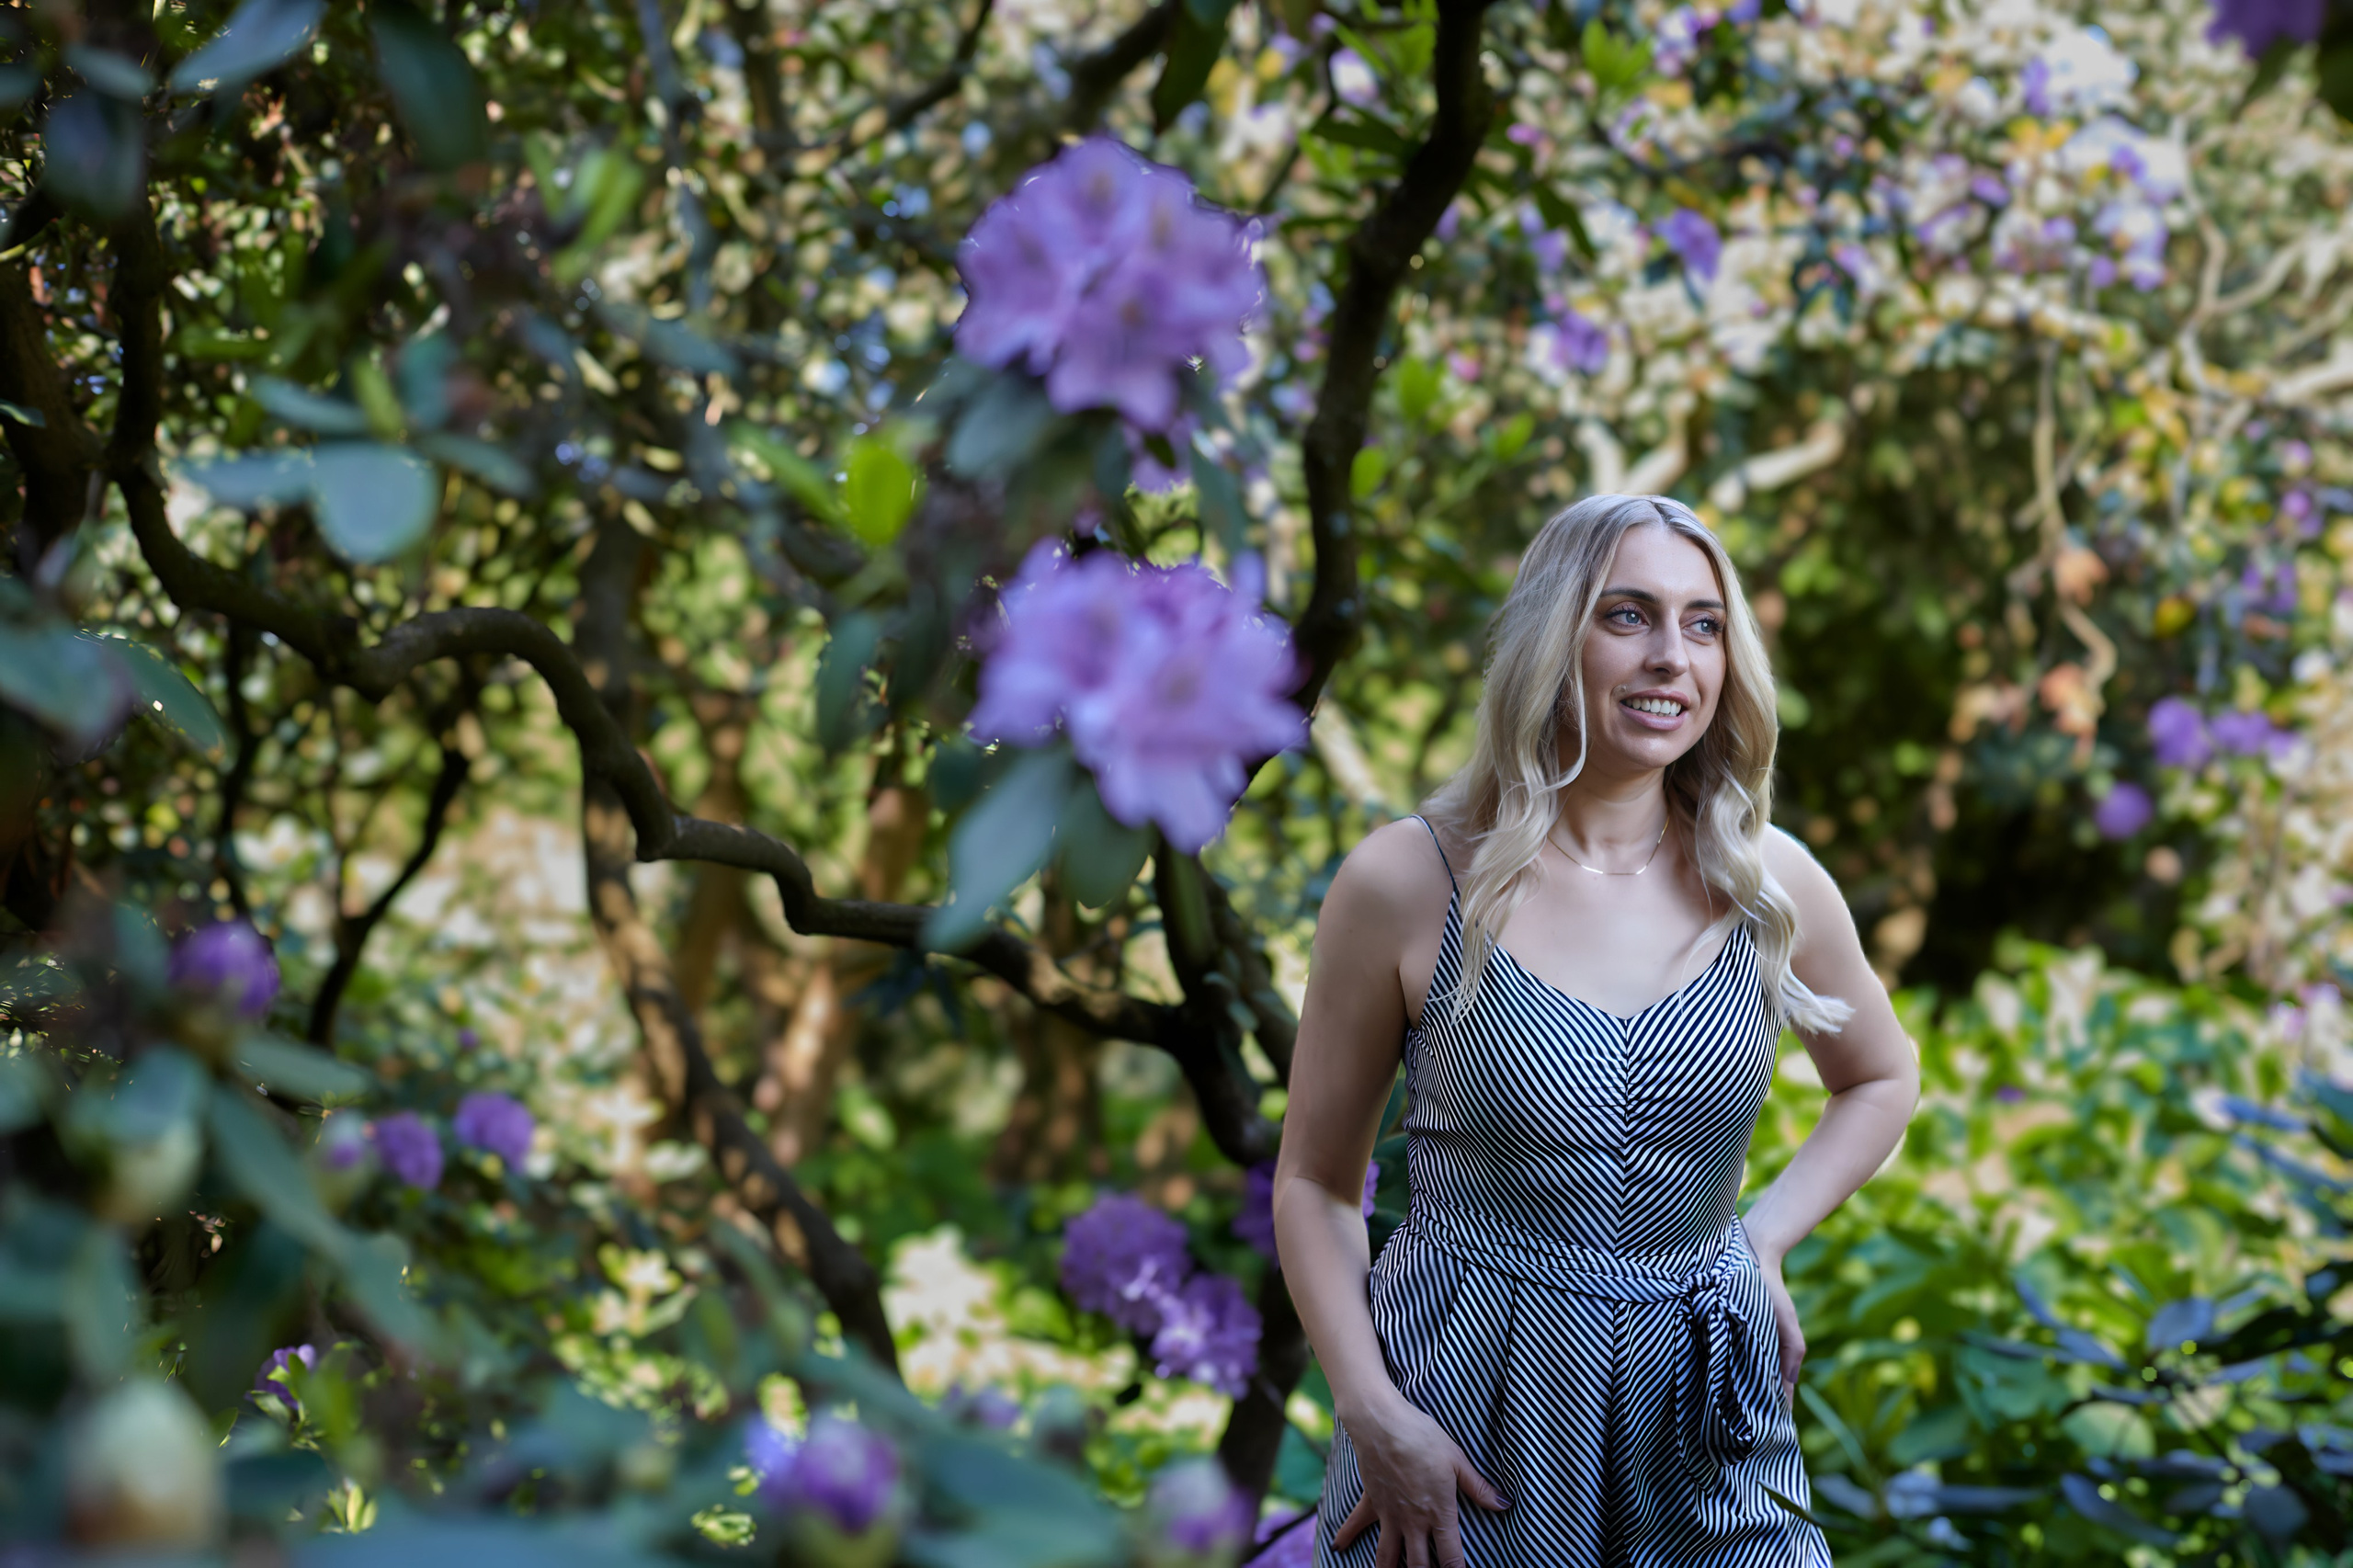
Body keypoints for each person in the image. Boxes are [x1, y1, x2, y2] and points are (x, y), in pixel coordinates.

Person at [1272, 494, 1920, 1568]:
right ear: (1550, 636)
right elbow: (1314, 1182)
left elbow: (1881, 1075)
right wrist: (1370, 1411)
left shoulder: (1768, 882)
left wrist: (1761, 1235)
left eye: (1703, 624)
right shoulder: (1404, 879)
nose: (1672, 656)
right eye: (1628, 615)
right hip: (1467, 1415)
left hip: (1706, 1409)